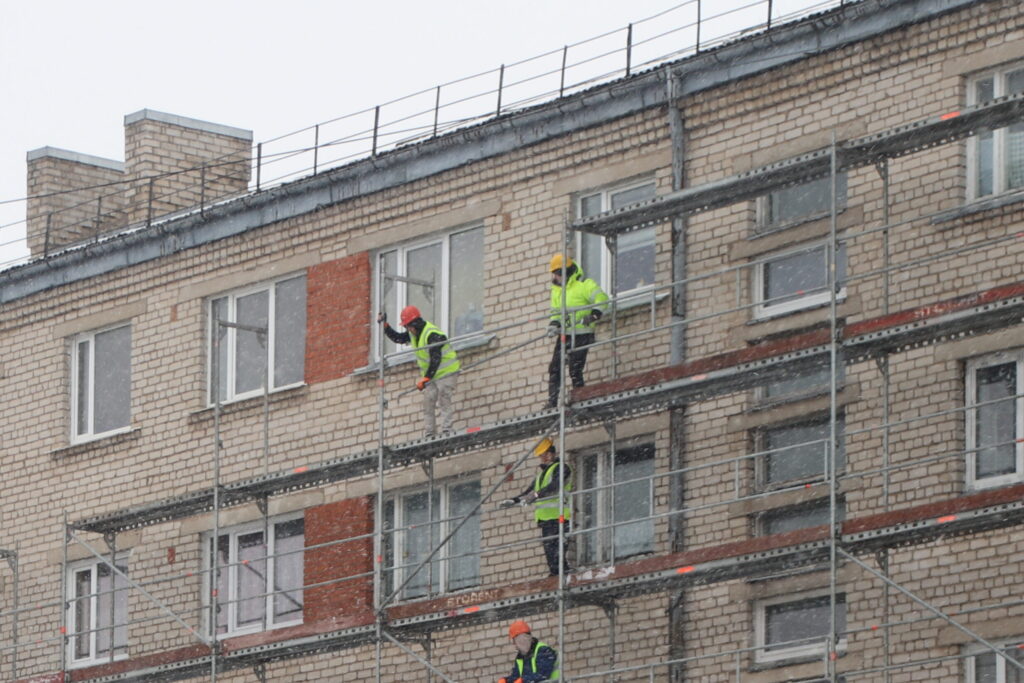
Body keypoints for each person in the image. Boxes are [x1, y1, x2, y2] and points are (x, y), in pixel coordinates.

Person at [377, 305, 459, 437]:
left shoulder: (432, 334)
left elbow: (435, 358)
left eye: (408, 326)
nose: (408, 329)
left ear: (415, 323)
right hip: (432, 375)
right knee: (428, 402)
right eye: (406, 327)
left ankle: (447, 430)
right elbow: (399, 338)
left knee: (444, 398)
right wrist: (385, 326)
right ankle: (430, 433)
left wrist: (426, 377)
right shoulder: (414, 334)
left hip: (447, 372)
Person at [501, 438, 572, 576]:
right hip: (546, 520)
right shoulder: (541, 475)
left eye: (545, 454)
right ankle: (556, 576)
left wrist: (536, 495)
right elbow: (528, 492)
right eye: (541, 455)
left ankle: (564, 577)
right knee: (550, 556)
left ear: (552, 452)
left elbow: (554, 486)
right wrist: (514, 500)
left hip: (559, 517)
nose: (543, 457)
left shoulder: (562, 468)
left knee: (558, 553)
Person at [546, 253, 608, 409]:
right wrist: (554, 323)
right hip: (565, 335)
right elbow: (555, 312)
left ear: (565, 272)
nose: (555, 277)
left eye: (558, 273)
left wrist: (594, 314)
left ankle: (580, 396)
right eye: (554, 274)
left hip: (582, 334)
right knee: (555, 367)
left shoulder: (584, 285)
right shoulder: (556, 291)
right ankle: (552, 402)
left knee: (575, 368)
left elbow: (602, 298)